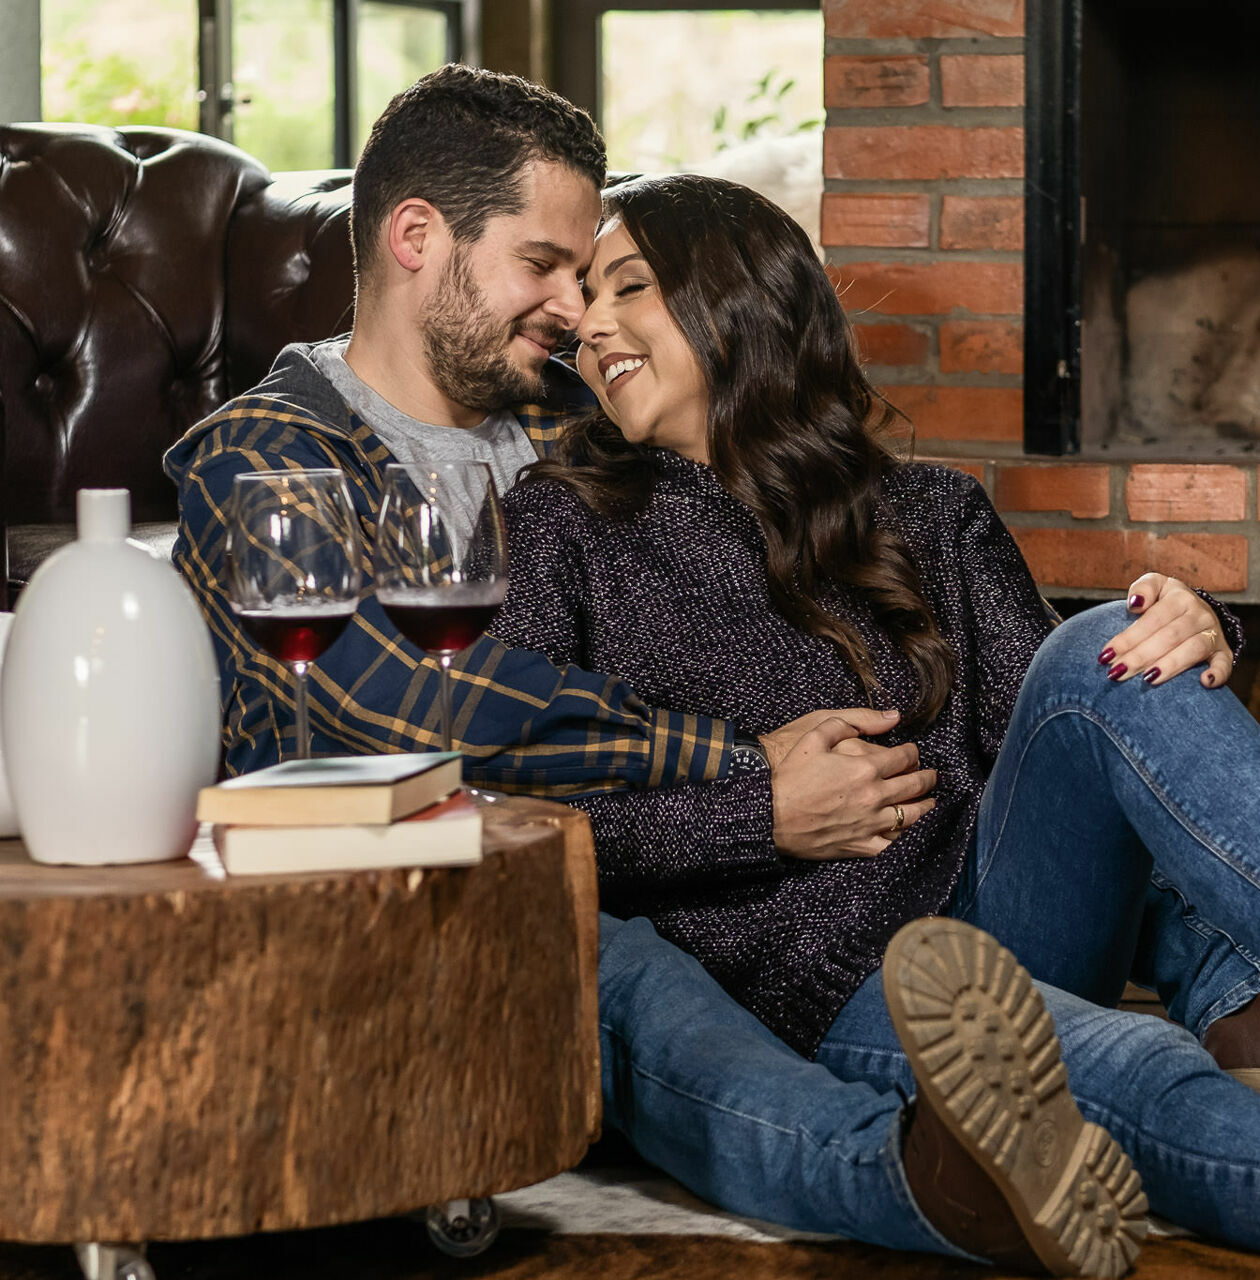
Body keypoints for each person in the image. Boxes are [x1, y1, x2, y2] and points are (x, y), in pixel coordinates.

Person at [487, 171, 1260, 1280]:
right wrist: (756, 808)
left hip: (998, 905)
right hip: (821, 982)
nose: (586, 323)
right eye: (584, 297)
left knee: (1111, 639)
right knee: (1129, 1068)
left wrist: (1188, 627)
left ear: (734, 298)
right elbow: (524, 804)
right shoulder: (564, 526)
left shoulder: (926, 511)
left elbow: (1076, 716)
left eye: (628, 287)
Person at [164, 64, 1157, 1278]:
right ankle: (936, 1177)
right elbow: (382, 701)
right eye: (547, 264)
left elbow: (775, 549)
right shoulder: (263, 456)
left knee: (625, 924)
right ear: (418, 236)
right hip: (392, 921)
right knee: (610, 945)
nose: (576, 308)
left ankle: (1013, 1120)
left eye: (592, 277)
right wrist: (736, 769)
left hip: (617, 876)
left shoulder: (572, 436)